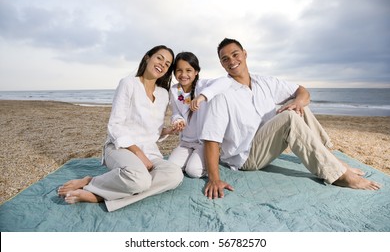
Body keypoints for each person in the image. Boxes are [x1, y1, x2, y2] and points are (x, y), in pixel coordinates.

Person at [201, 38, 381, 199]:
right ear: (222, 64)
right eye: (225, 59)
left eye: (235, 54)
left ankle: (332, 159)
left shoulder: (264, 82)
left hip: (267, 144)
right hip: (246, 157)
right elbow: (211, 138)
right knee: (289, 116)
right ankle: (339, 175)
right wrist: (214, 179)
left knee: (297, 106)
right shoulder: (222, 93)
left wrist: (298, 102)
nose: (232, 61)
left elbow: (302, 91)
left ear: (245, 54)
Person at [58, 45, 184, 212]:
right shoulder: (128, 83)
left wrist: (168, 131)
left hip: (150, 152)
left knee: (175, 175)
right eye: (159, 58)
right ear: (148, 57)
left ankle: (101, 195)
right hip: (120, 148)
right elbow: (115, 125)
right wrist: (138, 152)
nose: (162, 64)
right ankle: (91, 183)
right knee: (140, 180)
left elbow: (152, 131)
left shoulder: (163, 94)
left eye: (167, 63)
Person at [168, 52, 231, 178]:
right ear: (174, 72)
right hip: (185, 142)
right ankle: (192, 159)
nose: (183, 74)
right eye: (179, 70)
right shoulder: (174, 90)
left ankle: (210, 158)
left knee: (193, 172)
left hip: (203, 143)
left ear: (196, 71)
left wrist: (202, 96)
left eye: (188, 70)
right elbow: (175, 113)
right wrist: (178, 120)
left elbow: (226, 81)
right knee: (171, 167)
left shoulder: (202, 85)